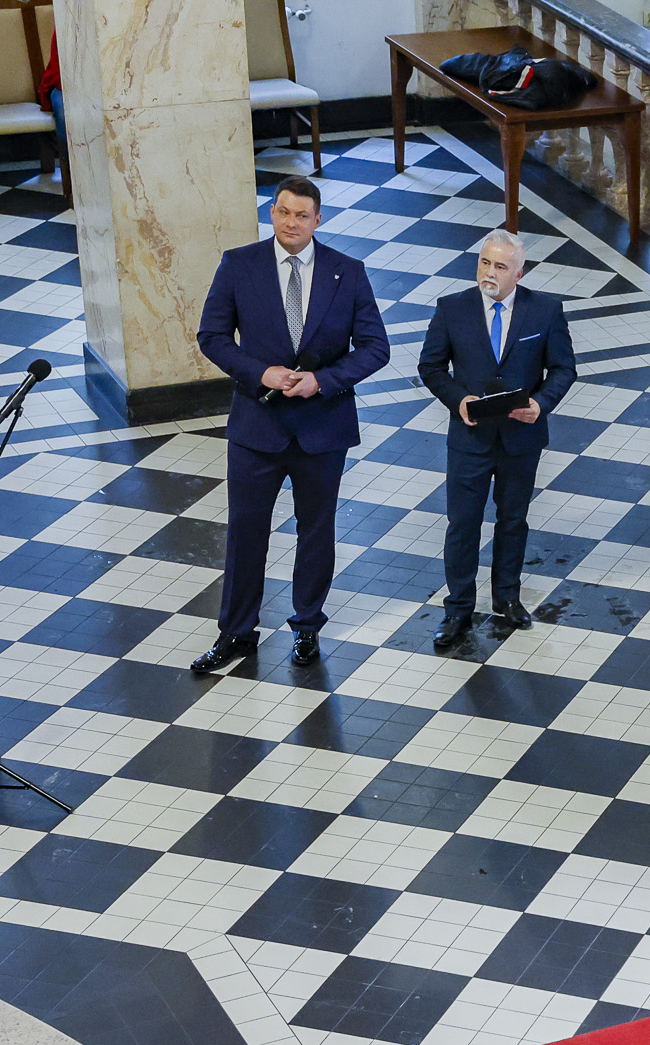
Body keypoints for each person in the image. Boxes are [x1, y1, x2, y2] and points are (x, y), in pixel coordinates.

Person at [191, 175, 389, 673]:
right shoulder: (240, 265)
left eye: (302, 215)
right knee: (245, 532)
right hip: (257, 426)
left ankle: (306, 629)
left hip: (323, 427)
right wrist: (262, 373)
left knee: (317, 531)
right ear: (271, 213)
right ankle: (236, 634)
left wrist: (321, 381)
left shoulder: (349, 271)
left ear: (318, 220)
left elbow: (375, 348)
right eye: (283, 212)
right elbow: (212, 335)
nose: (291, 222)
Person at [417, 229, 577, 649]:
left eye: (500, 266)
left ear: (518, 273)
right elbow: (431, 367)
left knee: (512, 520)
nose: (489, 272)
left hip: (520, 438)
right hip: (469, 438)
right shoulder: (452, 309)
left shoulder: (544, 311)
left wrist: (541, 405)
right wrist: (459, 400)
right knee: (463, 524)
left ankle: (507, 598)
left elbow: (563, 369)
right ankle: (458, 609)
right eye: (484, 262)